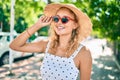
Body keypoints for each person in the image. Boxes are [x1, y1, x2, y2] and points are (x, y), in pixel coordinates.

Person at [10, 3, 92, 80]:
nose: (59, 22)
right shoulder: (46, 45)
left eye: (64, 19)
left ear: (75, 25)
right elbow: (14, 45)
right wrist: (37, 25)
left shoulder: (84, 53)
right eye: (56, 19)